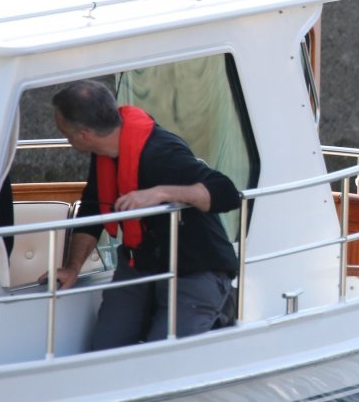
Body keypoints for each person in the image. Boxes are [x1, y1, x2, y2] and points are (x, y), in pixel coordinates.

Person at [49, 79, 240, 349]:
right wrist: (72, 268)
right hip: (139, 264)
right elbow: (93, 206)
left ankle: (216, 315)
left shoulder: (162, 154)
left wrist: (162, 193)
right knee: (105, 349)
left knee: (161, 359)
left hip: (194, 270)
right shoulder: (104, 150)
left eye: (63, 129)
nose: (63, 135)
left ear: (84, 134)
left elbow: (227, 192)